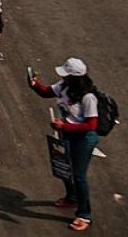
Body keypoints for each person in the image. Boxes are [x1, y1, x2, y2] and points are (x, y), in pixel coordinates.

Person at [30, 58, 98, 231]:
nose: (63, 78)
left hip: (83, 139)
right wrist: (34, 84)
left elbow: (91, 125)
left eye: (66, 75)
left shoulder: (88, 97)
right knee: (64, 168)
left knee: (79, 176)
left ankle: (85, 214)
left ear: (76, 78)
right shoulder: (64, 86)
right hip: (66, 135)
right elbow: (47, 92)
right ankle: (72, 197)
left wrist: (64, 125)